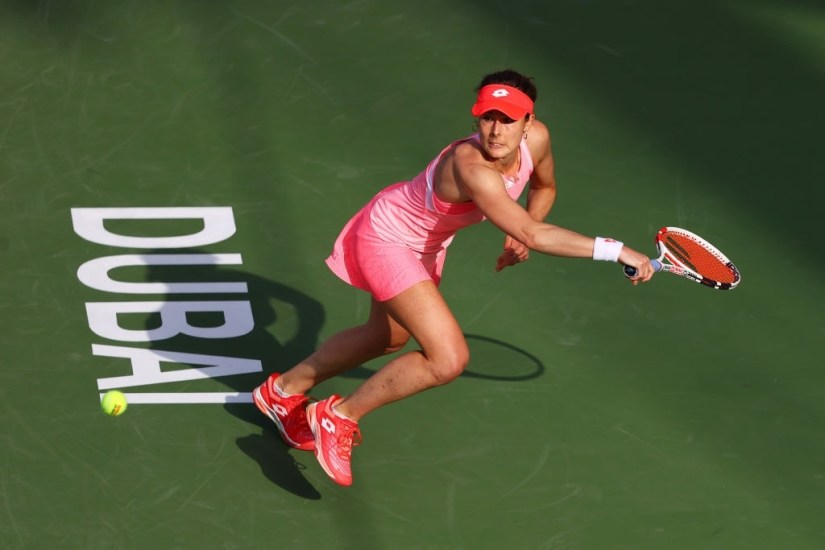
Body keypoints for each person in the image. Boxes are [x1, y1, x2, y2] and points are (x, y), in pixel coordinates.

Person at [253, 69, 655, 486]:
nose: (496, 131)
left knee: (385, 339)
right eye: (488, 117)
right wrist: (615, 249)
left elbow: (545, 188)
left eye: (508, 120)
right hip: (387, 238)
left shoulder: (537, 140)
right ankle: (337, 416)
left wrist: (521, 227)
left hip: (426, 247)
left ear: (529, 122)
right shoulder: (471, 166)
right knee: (447, 360)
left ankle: (280, 392)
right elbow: (534, 235)